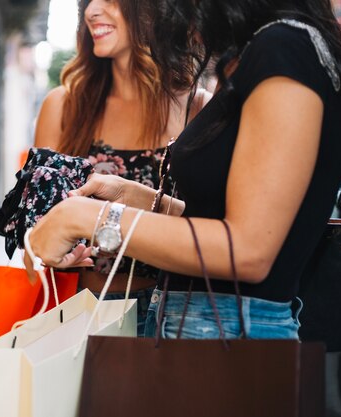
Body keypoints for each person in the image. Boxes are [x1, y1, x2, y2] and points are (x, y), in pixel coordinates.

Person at [25, 0, 341, 340]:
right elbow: (223, 222)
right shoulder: (267, 52)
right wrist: (138, 198)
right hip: (212, 334)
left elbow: (248, 251)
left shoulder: (283, 50)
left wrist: (89, 218)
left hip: (225, 341)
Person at [33, 0, 209, 335]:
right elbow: (35, 229)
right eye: (88, 1)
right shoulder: (64, 105)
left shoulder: (198, 107)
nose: (92, 11)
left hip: (173, 320)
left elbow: (212, 230)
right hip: (79, 315)